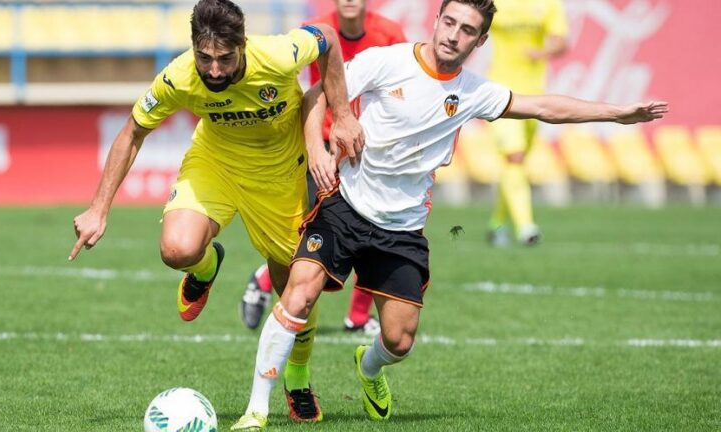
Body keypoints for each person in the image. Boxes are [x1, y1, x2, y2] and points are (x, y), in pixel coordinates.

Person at [230, 0, 668, 429]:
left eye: (467, 30)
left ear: (480, 40)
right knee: (299, 292)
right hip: (346, 204)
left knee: (399, 341)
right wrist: (317, 149)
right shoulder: (386, 61)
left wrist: (615, 113)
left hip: (401, 229)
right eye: (450, 22)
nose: (454, 35)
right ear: (436, 19)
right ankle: (256, 411)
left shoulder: (474, 90)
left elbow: (543, 107)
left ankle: (368, 367)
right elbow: (316, 96)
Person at [68, 0, 363, 424]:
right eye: (205, 58)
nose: (215, 70)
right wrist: (99, 208)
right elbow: (133, 132)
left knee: (295, 287)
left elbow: (329, 38)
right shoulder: (179, 76)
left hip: (279, 173)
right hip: (216, 163)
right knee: (176, 249)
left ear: (243, 44)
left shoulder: (280, 54)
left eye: (225, 58)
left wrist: (344, 115)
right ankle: (205, 268)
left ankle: (297, 374)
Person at [239, 0, 406, 337]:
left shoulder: (389, 33)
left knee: (378, 226)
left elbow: (403, 86)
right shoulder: (314, 30)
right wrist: (314, 145)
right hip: (324, 146)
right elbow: (294, 86)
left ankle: (358, 317)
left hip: (369, 146)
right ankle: (263, 277)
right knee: (314, 232)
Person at [487, 0, 569, 246]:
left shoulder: (548, 4)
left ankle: (497, 225)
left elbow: (562, 42)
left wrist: (546, 51)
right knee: (515, 157)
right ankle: (526, 227)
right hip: (501, 92)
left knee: (516, 166)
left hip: (535, 97)